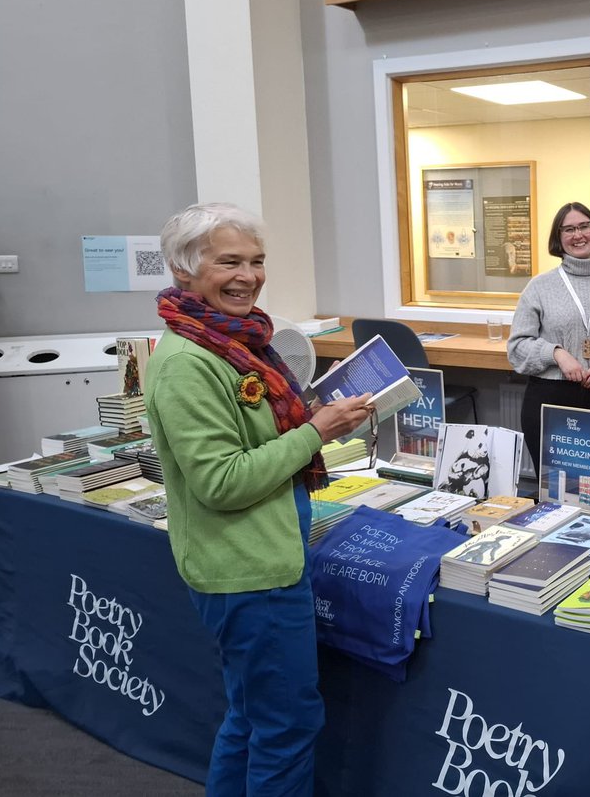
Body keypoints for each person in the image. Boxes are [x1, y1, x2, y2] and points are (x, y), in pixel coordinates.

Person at [144, 203, 372, 797]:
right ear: (183, 269)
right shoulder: (190, 363)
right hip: (249, 571)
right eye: (229, 263)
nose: (248, 276)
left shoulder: (232, 343)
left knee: (252, 717)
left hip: (257, 560)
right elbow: (222, 482)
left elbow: (251, 444)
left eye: (256, 261)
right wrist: (315, 432)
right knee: (286, 724)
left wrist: (313, 426)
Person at [508, 201, 590, 474]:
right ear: (558, 237)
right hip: (548, 397)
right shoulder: (539, 286)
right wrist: (556, 354)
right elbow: (517, 347)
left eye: (584, 226)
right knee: (552, 485)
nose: (578, 235)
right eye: (568, 229)